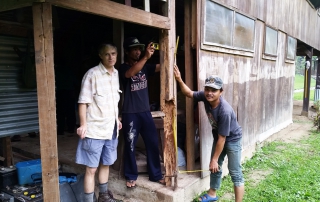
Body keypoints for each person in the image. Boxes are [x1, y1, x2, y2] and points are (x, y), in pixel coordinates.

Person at [173, 65, 244, 202]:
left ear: (221, 92)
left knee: (235, 171)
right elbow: (189, 93)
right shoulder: (205, 97)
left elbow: (223, 139)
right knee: (214, 167)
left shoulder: (225, 111)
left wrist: (214, 159)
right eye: (207, 89)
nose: (209, 93)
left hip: (232, 140)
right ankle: (212, 194)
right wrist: (179, 79)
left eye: (214, 90)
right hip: (219, 137)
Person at [75, 43, 122, 202]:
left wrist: (117, 120)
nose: (111, 57)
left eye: (113, 53)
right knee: (91, 169)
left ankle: (103, 196)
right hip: (95, 130)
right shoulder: (92, 74)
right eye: (107, 54)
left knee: (106, 163)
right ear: (100, 56)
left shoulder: (115, 74)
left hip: (111, 129)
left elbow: (113, 101)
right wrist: (83, 124)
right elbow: (83, 102)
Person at [119, 37, 165, 188]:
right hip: (130, 113)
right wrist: (145, 56)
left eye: (139, 49)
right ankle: (131, 176)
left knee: (152, 143)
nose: (138, 51)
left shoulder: (145, 66)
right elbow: (131, 73)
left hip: (145, 112)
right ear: (126, 51)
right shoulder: (122, 68)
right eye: (134, 49)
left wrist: (170, 54)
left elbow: (162, 67)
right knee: (130, 145)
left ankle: (156, 175)